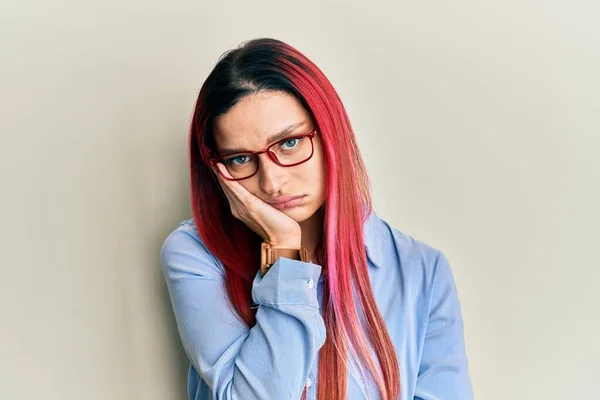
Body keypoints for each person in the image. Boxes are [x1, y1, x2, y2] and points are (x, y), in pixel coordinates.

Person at [160, 38, 474, 400]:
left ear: (330, 134)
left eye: (289, 143)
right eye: (241, 159)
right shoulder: (195, 255)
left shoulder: (420, 270)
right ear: (218, 170)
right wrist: (283, 255)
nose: (272, 182)